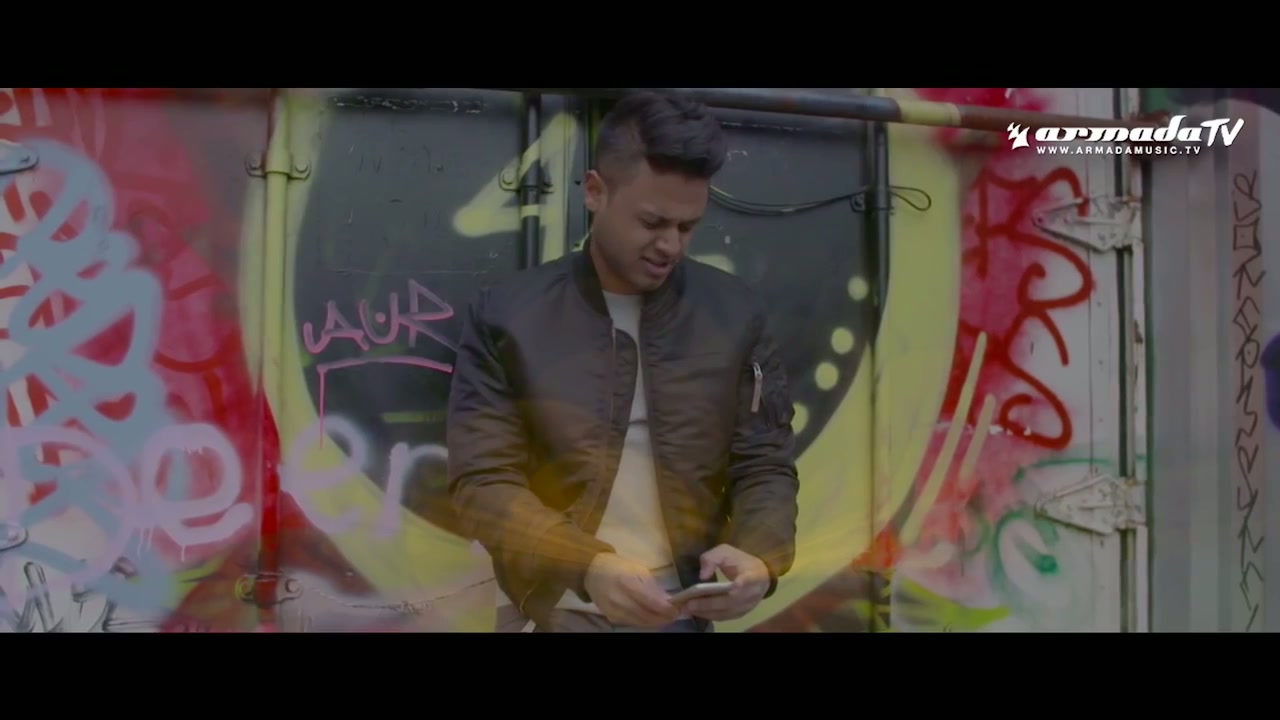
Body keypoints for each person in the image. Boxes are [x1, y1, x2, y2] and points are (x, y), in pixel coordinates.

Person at [446, 91, 799, 633]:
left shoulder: (734, 314)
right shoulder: (509, 315)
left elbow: (764, 462)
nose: (670, 245)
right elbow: (482, 483)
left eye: (688, 227)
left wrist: (759, 556)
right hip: (556, 607)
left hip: (681, 611)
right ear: (595, 192)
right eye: (652, 222)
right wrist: (585, 565)